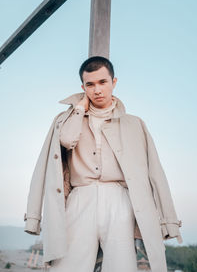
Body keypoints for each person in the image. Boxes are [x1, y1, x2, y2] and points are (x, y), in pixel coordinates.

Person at [24, 56, 182, 272]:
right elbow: (63, 145)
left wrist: (168, 220)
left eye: (102, 82)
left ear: (113, 82)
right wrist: (79, 108)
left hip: (120, 200)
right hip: (80, 199)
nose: (97, 90)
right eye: (90, 84)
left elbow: (156, 173)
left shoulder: (134, 124)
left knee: (120, 267)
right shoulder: (65, 119)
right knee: (67, 265)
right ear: (83, 87)